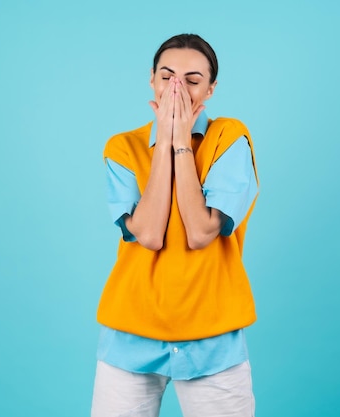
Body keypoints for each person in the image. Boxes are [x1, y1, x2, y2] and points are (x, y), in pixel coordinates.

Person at [91, 33, 259, 417]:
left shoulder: (229, 138)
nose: (177, 88)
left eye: (193, 80)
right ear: (152, 80)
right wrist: (164, 142)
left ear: (211, 90)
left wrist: (182, 140)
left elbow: (201, 232)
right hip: (130, 332)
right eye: (167, 76)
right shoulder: (123, 148)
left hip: (212, 336)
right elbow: (148, 235)